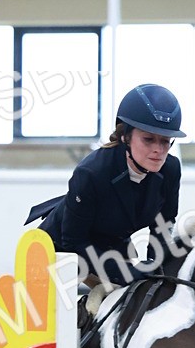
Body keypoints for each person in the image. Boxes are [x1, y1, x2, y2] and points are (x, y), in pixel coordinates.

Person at [25, 83, 186, 300]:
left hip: (112, 245)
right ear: (125, 136)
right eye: (148, 139)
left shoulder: (171, 169)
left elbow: (163, 224)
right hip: (61, 249)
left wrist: (154, 266)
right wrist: (126, 273)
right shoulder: (91, 173)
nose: (159, 150)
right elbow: (74, 242)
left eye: (165, 141)